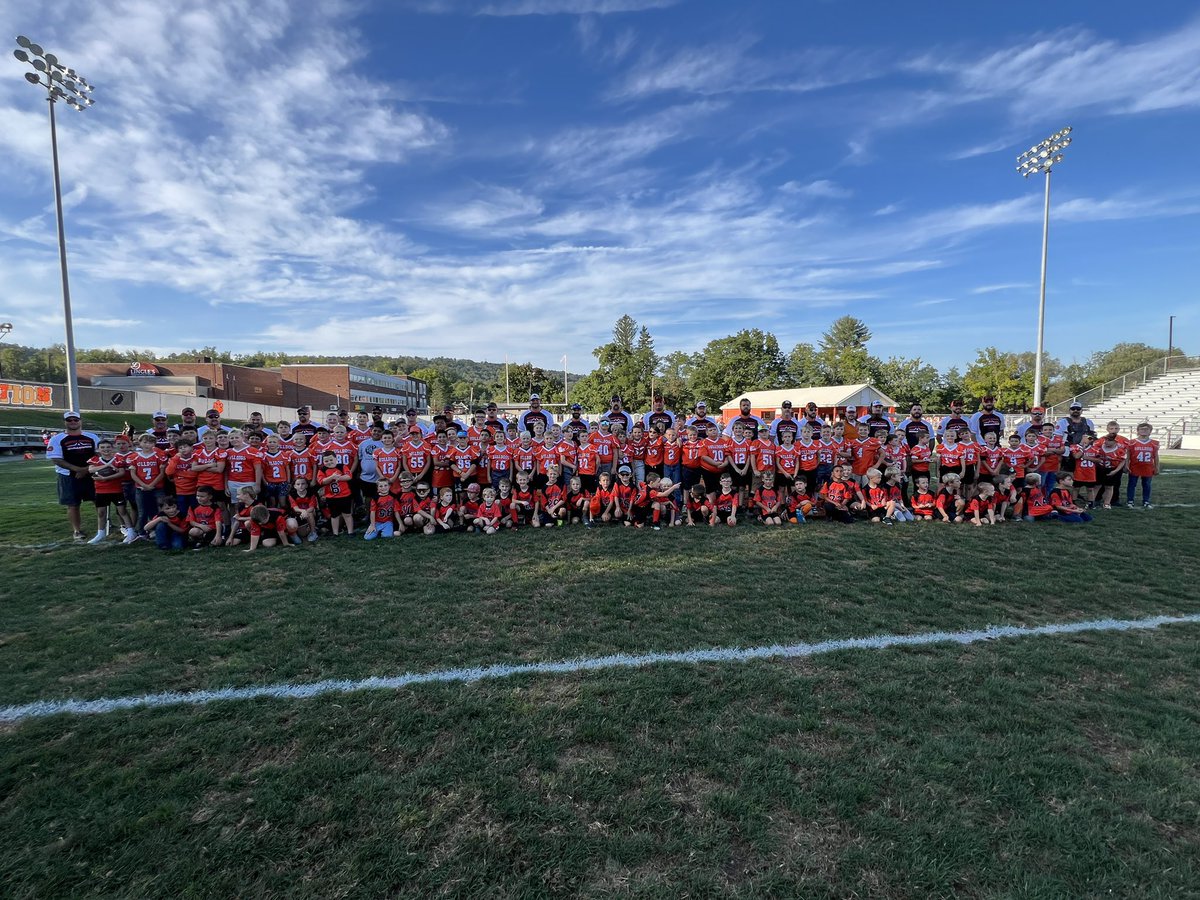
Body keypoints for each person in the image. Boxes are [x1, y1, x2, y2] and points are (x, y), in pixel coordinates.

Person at [47, 411, 99, 541]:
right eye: (69, 420)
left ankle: (104, 525)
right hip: (68, 476)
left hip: (91, 474)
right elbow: (56, 459)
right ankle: (77, 530)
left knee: (99, 501)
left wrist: (86, 470)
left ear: (80, 421)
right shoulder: (56, 439)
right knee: (73, 504)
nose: (73, 422)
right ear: (65, 422)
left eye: (75, 419)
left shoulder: (92, 437)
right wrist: (77, 470)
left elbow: (99, 455)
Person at [87, 439, 137, 544]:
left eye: (108, 447)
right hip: (100, 490)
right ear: (98, 449)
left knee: (122, 511)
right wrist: (107, 466)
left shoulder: (118, 459)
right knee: (101, 512)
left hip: (116, 489)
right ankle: (101, 533)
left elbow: (122, 473)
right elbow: (91, 470)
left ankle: (131, 531)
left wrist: (106, 478)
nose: (106, 449)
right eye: (102, 447)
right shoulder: (95, 459)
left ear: (112, 448)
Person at [1125, 422, 1159, 508]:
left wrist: (1157, 467)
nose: (1144, 431)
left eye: (1146, 429)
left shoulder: (1154, 443)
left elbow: (1156, 456)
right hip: (1134, 466)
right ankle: (1130, 501)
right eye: (1142, 429)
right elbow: (1128, 456)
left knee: (1147, 485)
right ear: (1137, 431)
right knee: (1132, 484)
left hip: (1148, 467)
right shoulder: (1132, 442)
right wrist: (1126, 465)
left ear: (1150, 431)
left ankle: (1146, 501)